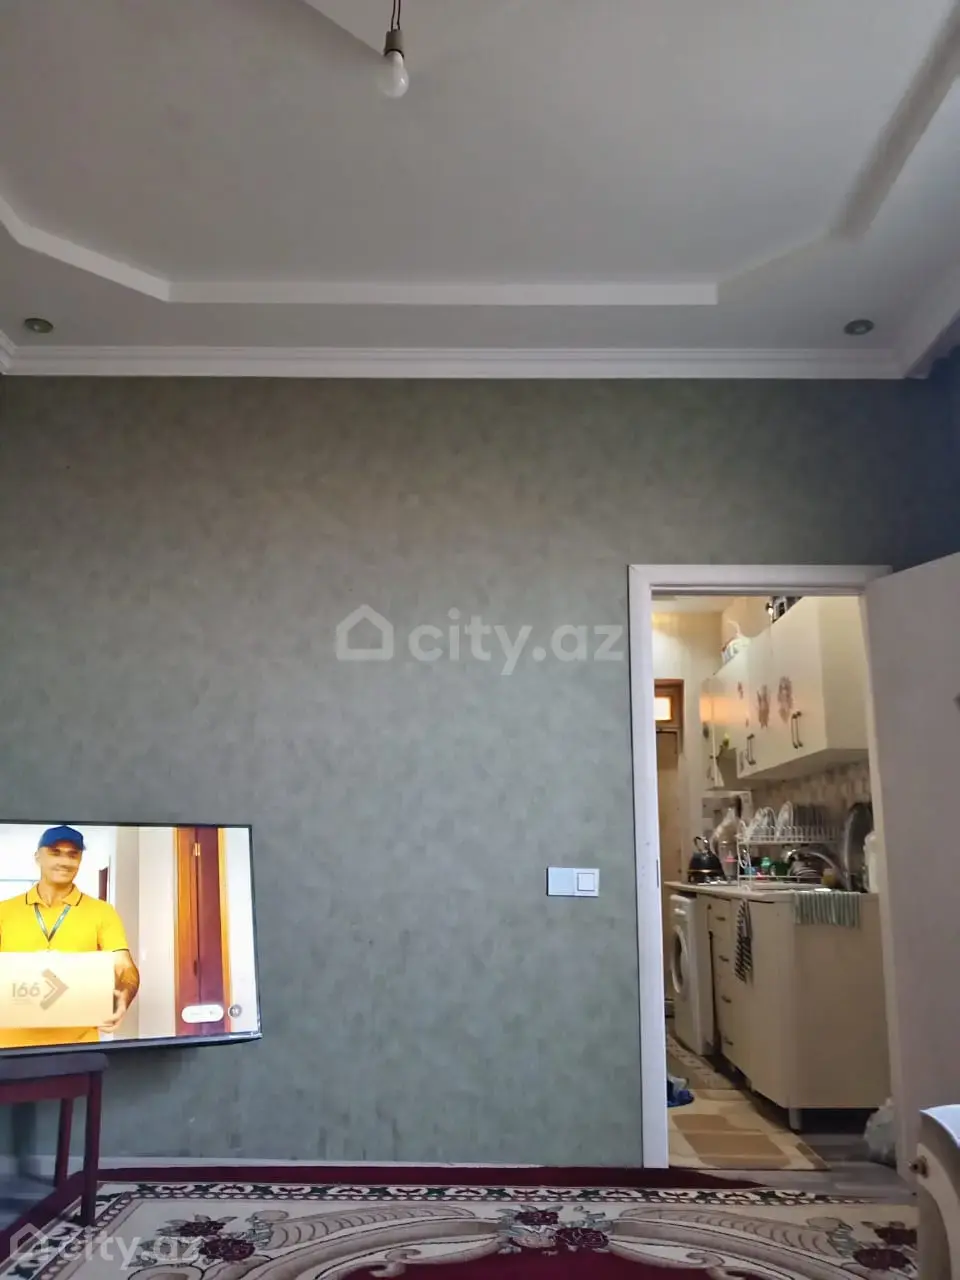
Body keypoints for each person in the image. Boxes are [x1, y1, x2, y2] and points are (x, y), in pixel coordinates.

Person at [0, 825, 140, 1048]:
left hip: (79, 1047)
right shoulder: (4, 911)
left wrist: (123, 997)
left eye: (73, 854)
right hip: (11, 1048)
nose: (65, 861)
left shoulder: (102, 912)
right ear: (38, 857)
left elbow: (124, 966)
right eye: (55, 852)